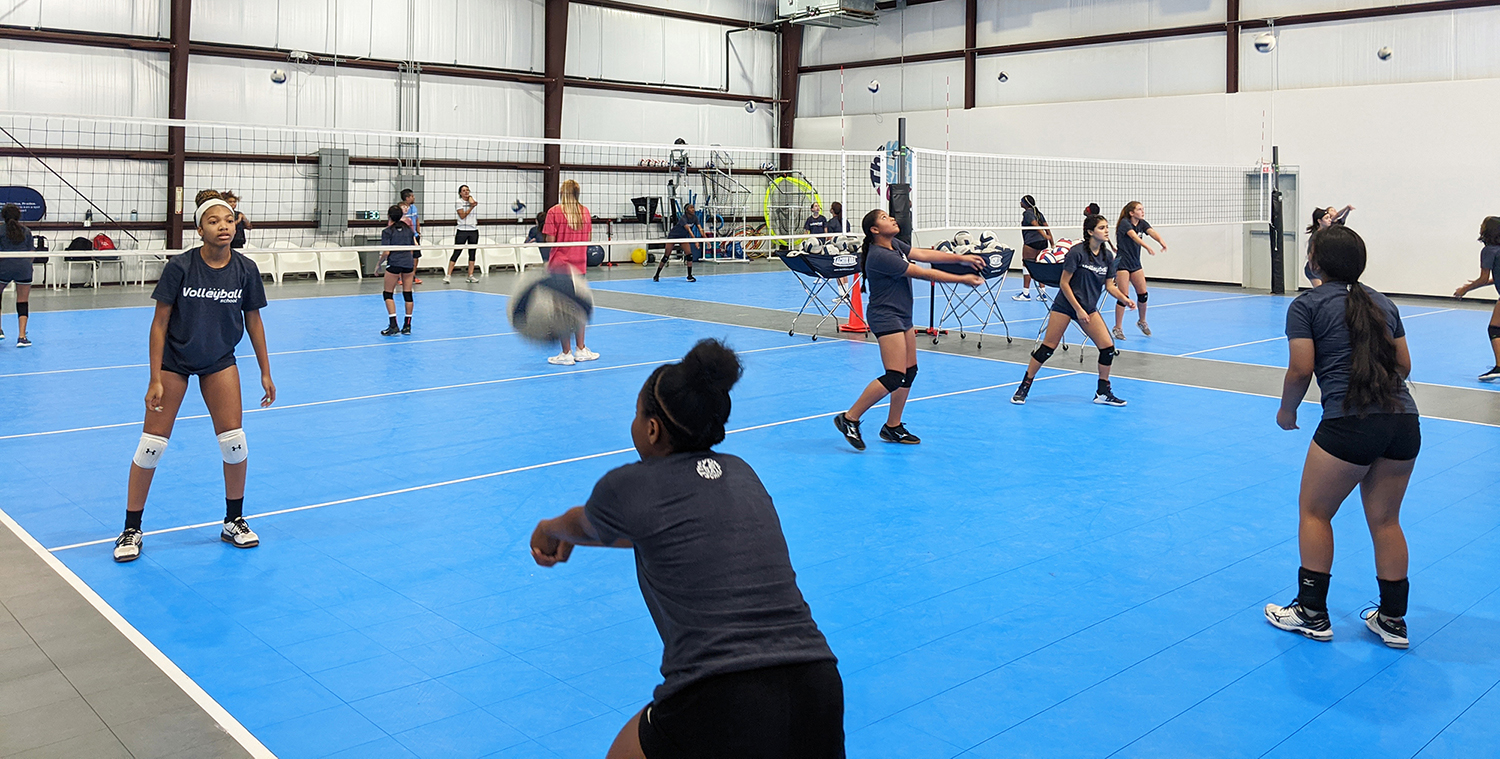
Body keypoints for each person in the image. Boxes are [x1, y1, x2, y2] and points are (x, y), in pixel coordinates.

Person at [530, 339, 844, 758]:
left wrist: (550, 531)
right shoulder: (743, 474)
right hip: (817, 680)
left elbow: (582, 523)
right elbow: (669, 530)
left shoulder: (630, 485)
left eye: (637, 414)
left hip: (718, 689)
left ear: (653, 428)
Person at [1264, 225, 1418, 650]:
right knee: (1386, 520)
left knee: (1314, 512)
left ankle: (1311, 613)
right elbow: (1404, 365)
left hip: (1350, 424)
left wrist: (1287, 409)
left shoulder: (1306, 305)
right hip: (1403, 422)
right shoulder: (1383, 302)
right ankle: (1392, 620)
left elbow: (1300, 369)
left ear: (1316, 260)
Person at [112, 190, 275, 563]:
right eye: (214, 221)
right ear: (199, 229)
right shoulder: (181, 267)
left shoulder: (245, 269)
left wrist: (265, 371)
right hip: (174, 362)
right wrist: (154, 377)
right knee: (151, 446)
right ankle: (131, 528)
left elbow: (254, 322)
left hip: (220, 360)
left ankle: (233, 520)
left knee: (235, 442)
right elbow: (159, 324)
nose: (223, 227)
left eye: (229, 220)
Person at [832, 209, 983, 450]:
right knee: (894, 376)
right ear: (874, 230)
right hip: (886, 317)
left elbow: (923, 254)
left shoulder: (895, 246)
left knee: (909, 371)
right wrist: (963, 278)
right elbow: (922, 272)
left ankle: (892, 427)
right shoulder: (880, 255)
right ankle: (849, 418)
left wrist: (962, 258)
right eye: (884, 218)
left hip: (902, 314)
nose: (891, 218)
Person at [1011, 214, 1134, 407]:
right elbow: (1064, 283)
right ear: (1090, 232)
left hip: (1088, 308)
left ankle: (1102, 392)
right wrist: (1077, 309)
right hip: (1066, 305)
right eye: (1102, 228)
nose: (1106, 230)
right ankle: (1024, 386)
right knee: (1047, 348)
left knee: (1107, 348)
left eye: (1106, 227)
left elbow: (1110, 286)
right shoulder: (1077, 253)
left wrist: (1125, 299)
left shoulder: (1107, 256)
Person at [542, 179, 596, 366]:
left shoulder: (554, 211)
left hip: (560, 267)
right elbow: (587, 239)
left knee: (561, 311)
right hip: (579, 266)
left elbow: (550, 241)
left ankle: (566, 353)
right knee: (578, 308)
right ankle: (581, 349)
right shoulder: (585, 212)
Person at [1453, 216, 1500, 382]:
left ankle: (1499, 367)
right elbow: (1494, 278)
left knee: (1495, 328)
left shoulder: (1489, 251)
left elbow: (1483, 277)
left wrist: (1465, 289)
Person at [1112, 201, 1165, 340]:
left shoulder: (1142, 223)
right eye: (1139, 209)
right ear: (1131, 213)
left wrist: (1161, 241)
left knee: (1143, 294)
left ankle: (1142, 321)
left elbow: (1151, 232)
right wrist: (1147, 247)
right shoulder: (1125, 223)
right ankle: (1117, 328)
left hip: (1135, 263)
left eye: (1143, 209)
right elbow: (1134, 237)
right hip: (1122, 263)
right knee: (1124, 296)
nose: (1143, 211)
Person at [0, 204, 35, 347]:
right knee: (22, 302)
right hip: (24, 268)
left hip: (3, 268)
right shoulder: (26, 231)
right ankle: (22, 337)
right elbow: (32, 255)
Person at [378, 205, 416, 336]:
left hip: (394, 263)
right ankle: (407, 326)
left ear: (389, 216)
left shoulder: (387, 231)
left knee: (388, 294)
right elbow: (413, 247)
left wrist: (378, 264)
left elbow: (387, 252)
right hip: (408, 263)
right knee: (408, 294)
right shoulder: (409, 230)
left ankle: (393, 325)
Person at [1013, 195, 1053, 302]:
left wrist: (1044, 235)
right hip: (1043, 243)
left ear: (1025, 204)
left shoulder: (1028, 213)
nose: (1020, 203)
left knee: (1026, 265)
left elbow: (1035, 224)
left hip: (1032, 242)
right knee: (1040, 266)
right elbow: (1047, 228)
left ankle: (1026, 294)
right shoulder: (1039, 213)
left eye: (1021, 201)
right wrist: (1051, 242)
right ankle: (1043, 294)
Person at [1304, 205, 1354, 287]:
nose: (1330, 220)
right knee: (1321, 291)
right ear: (1320, 221)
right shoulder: (1316, 236)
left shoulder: (1328, 231)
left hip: (1323, 267)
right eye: (1327, 218)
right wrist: (1313, 267)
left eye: (1330, 218)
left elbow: (1338, 217)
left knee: (1327, 290)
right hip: (1313, 268)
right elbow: (1311, 254)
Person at [655, 203, 703, 283]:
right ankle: (657, 275)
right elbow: (689, 230)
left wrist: (707, 241)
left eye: (693, 208)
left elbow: (700, 229)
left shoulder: (695, 218)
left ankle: (689, 276)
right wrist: (695, 241)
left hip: (682, 237)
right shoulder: (683, 218)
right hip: (673, 236)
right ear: (687, 210)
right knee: (666, 256)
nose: (693, 209)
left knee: (689, 255)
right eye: (691, 208)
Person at [446, 184, 480, 284]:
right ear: (460, 193)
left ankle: (470, 275)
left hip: (473, 230)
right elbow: (462, 216)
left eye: (468, 190)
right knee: (457, 252)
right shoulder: (458, 202)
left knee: (472, 253)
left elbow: (473, 202)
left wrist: (471, 201)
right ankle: (448, 275)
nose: (466, 192)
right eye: (464, 190)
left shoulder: (471, 200)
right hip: (462, 230)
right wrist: (471, 207)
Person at [400, 188, 423, 285]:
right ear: (407, 198)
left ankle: (412, 276)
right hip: (405, 236)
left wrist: (418, 232)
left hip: (415, 235)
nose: (414, 198)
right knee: (404, 257)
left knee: (416, 257)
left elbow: (416, 219)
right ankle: (401, 277)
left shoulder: (414, 207)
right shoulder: (401, 208)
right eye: (412, 196)